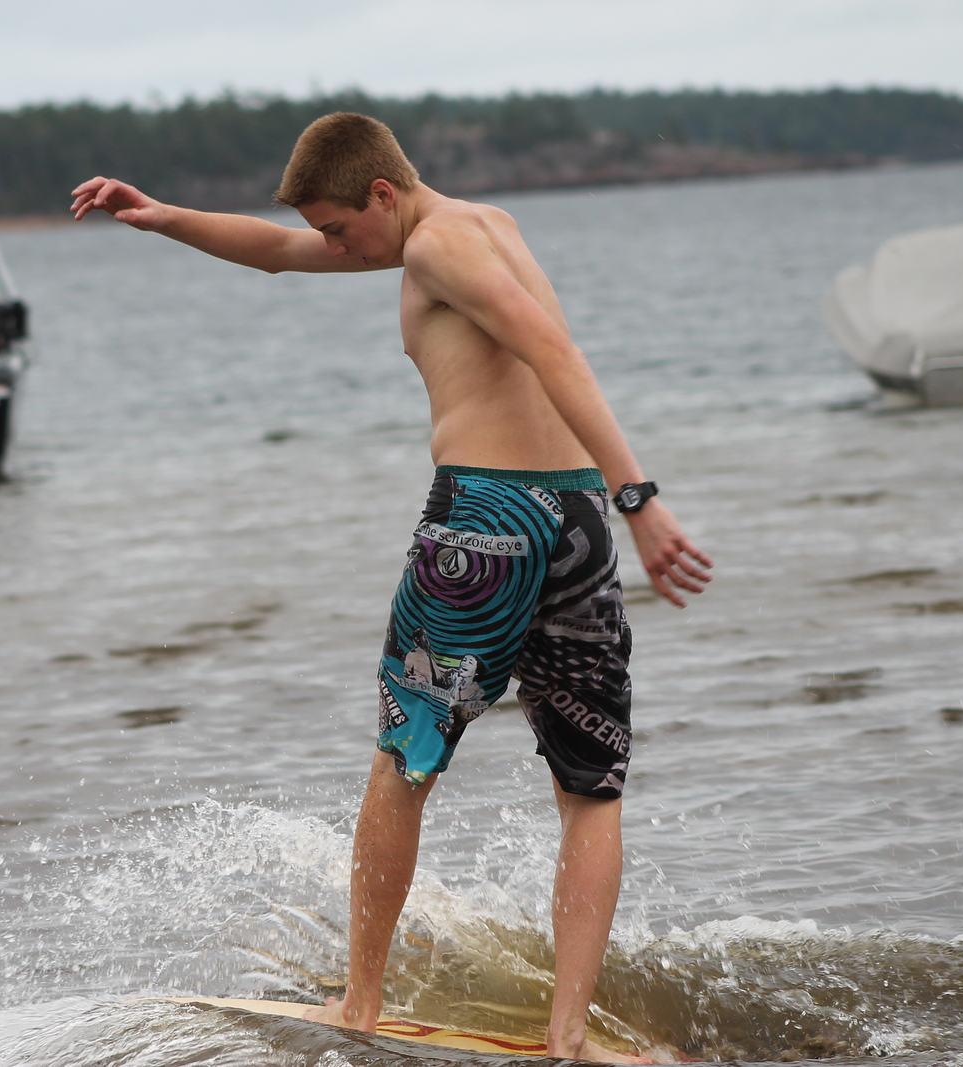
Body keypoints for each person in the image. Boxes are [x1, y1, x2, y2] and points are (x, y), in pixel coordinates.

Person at [71, 112, 711, 1064]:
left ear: (382, 194)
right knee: (591, 789)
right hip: (573, 524)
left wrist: (644, 499)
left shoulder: (440, 246)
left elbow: (552, 352)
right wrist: (164, 217)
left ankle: (358, 1005)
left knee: (404, 757)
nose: (334, 248)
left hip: (487, 527)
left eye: (341, 228)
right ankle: (569, 1035)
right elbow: (281, 252)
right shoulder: (474, 227)